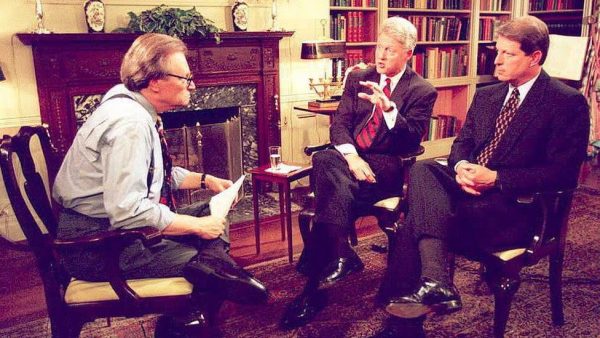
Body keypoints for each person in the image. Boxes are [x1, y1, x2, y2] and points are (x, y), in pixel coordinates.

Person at [375, 16, 590, 336]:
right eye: (496, 51)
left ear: (535, 57)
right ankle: (435, 282)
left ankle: (406, 322)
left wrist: (495, 178)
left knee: (414, 221)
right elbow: (461, 146)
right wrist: (461, 168)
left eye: (508, 54)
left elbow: (561, 173)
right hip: (468, 191)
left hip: (515, 206)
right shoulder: (488, 95)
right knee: (423, 169)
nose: (497, 60)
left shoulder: (567, 102)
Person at [52, 33, 268, 331]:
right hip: (100, 245)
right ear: (155, 81)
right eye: (185, 78)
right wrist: (195, 227)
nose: (192, 85)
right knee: (200, 250)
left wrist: (204, 180)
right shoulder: (131, 124)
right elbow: (128, 210)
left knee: (210, 214)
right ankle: (188, 316)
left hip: (108, 226)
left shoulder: (132, 105)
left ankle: (215, 270)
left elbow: (151, 172)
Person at [281, 16, 437, 329]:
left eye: (390, 51)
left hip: (386, 168)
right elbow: (339, 123)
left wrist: (389, 109)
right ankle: (342, 252)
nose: (381, 56)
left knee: (328, 196)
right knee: (325, 158)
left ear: (408, 54)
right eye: (380, 47)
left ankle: (312, 291)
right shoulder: (359, 77)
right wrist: (352, 159)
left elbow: (412, 141)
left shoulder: (422, 90)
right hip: (352, 164)